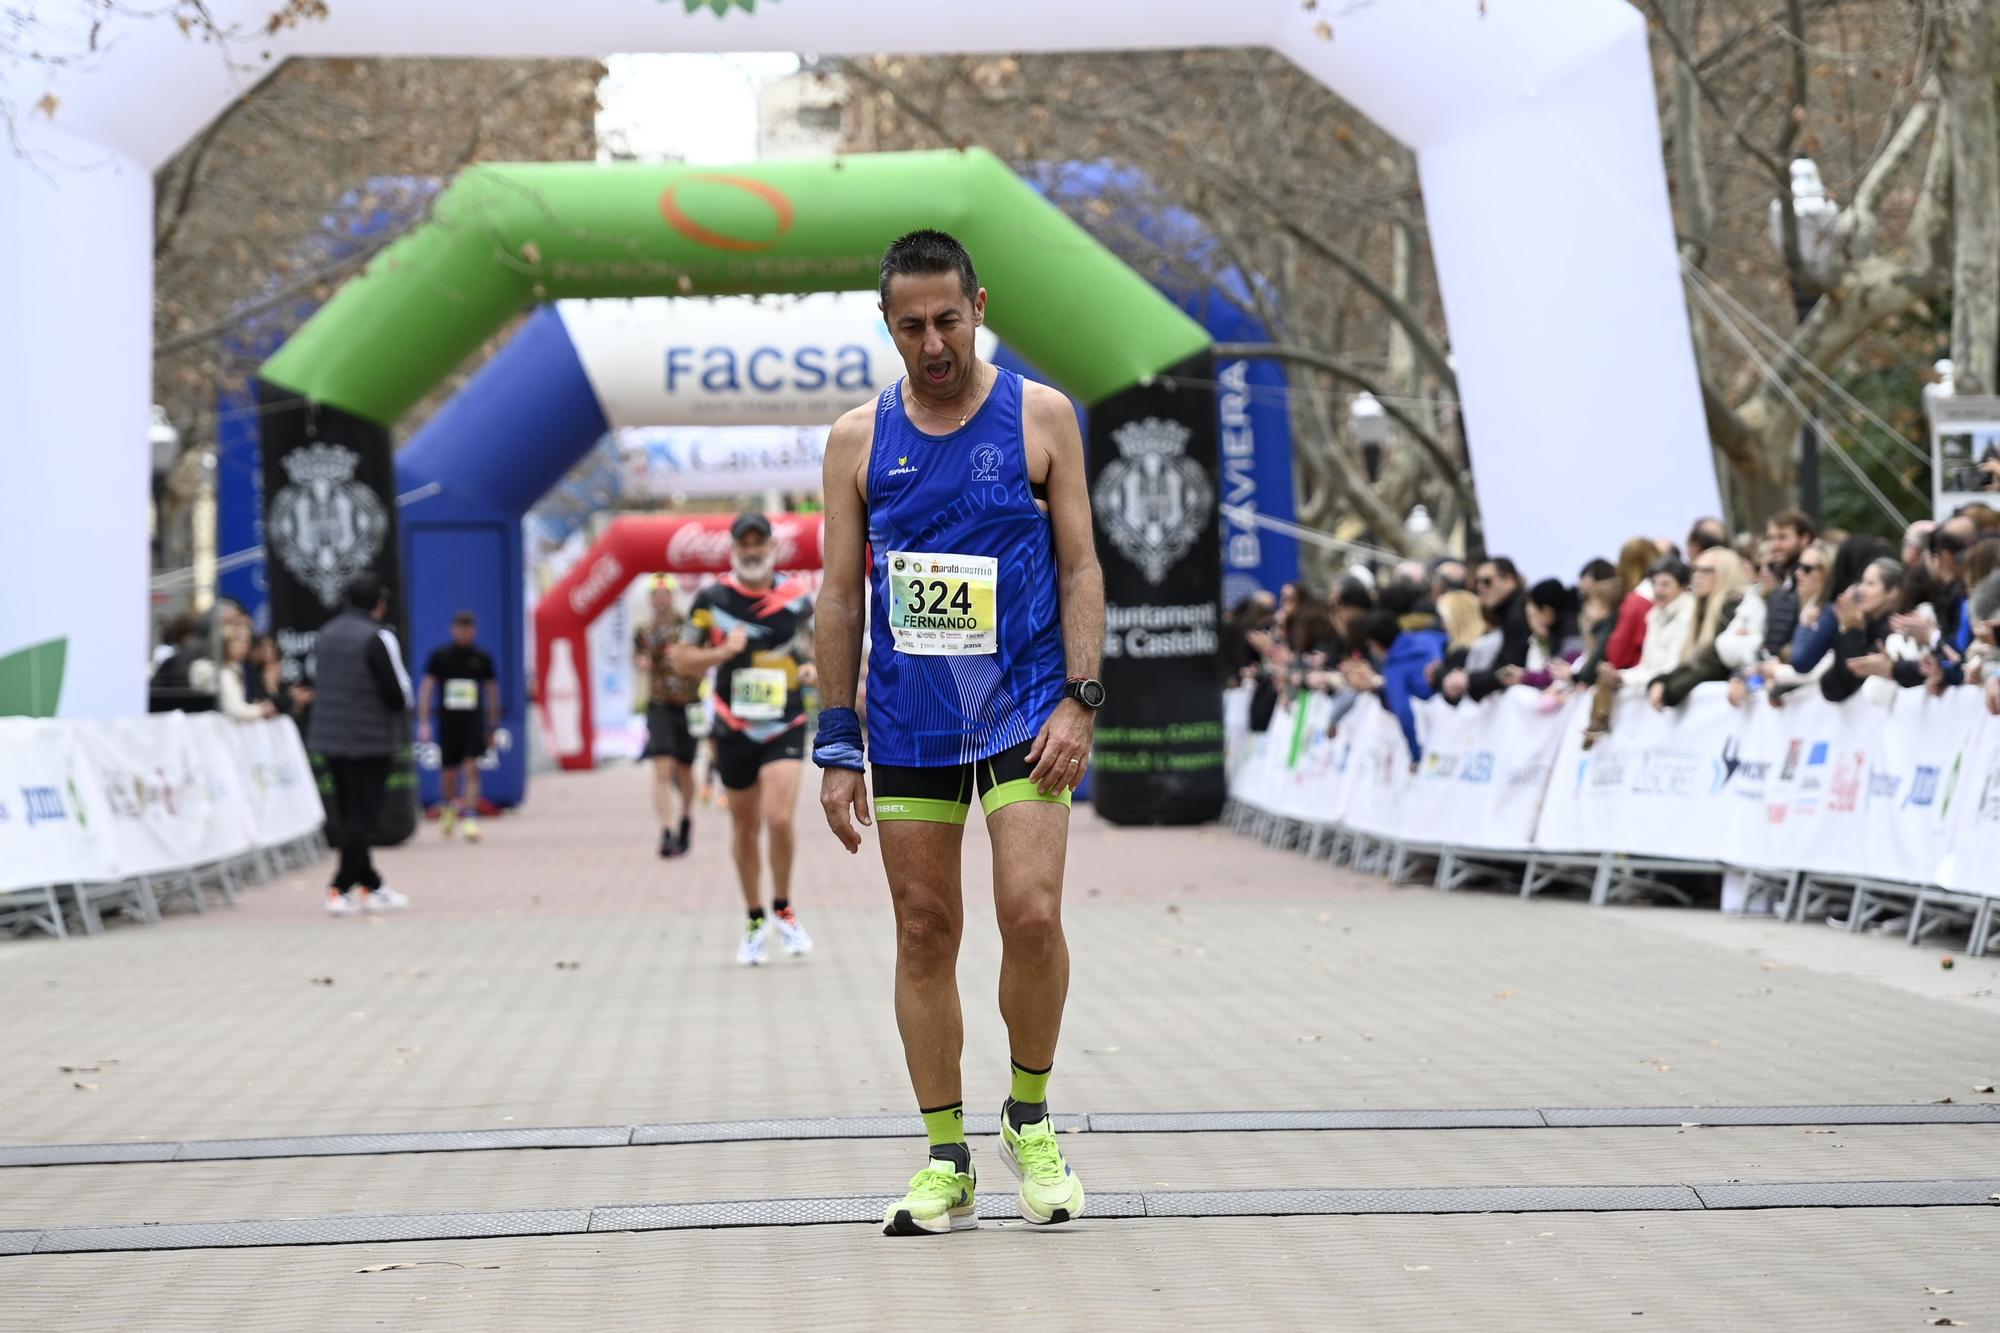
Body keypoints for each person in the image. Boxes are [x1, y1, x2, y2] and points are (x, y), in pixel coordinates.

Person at [813, 228, 1099, 1236]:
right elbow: (838, 595)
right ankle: (946, 1157)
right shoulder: (856, 438)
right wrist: (834, 736)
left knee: (1029, 911)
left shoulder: (1042, 416)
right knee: (924, 929)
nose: (931, 342)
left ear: (978, 304)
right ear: (885, 326)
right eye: (910, 326)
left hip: (1023, 710)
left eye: (946, 318)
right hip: (906, 721)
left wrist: (1080, 697)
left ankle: (1028, 1115)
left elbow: (1079, 568)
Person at [671, 512, 817, 965]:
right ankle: (755, 918)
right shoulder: (712, 598)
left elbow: (815, 649)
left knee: (778, 820)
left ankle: (784, 909)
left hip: (785, 723)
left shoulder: (797, 597)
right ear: (734, 550)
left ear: (772, 547)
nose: (752, 551)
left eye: (759, 543)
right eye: (744, 544)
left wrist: (814, 668)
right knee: (745, 827)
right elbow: (680, 659)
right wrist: (721, 652)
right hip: (732, 727)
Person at [309, 573, 412, 917]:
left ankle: (372, 884)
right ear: (380, 605)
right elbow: (398, 693)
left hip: (329, 737)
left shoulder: (325, 634)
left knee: (348, 811)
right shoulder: (379, 636)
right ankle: (340, 886)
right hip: (370, 739)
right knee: (363, 817)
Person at [417, 611, 500, 842]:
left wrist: (493, 725)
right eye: (460, 629)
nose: (464, 634)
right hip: (448, 722)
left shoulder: (482, 658)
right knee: (449, 771)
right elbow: (427, 688)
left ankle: (470, 817)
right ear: (453, 630)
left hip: (473, 722)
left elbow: (492, 691)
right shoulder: (440, 657)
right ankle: (449, 808)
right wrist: (424, 721)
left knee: (472, 767)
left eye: (468, 629)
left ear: (474, 631)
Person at [635, 577, 701, 857]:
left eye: (665, 594)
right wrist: (644, 661)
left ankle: (685, 818)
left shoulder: (688, 627)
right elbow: (639, 660)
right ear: (650, 598)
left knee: (685, 769)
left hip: (688, 704)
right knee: (662, 769)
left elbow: (701, 659)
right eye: (655, 594)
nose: (660, 599)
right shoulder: (644, 631)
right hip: (659, 704)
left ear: (672, 597)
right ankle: (666, 830)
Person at [1650, 549, 1751, 709]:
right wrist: (1662, 681)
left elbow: (1712, 662)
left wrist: (1669, 689)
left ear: (1726, 572)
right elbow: (1694, 660)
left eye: (1706, 571)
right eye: (1695, 570)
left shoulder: (1732, 606)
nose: (1698, 576)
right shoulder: (1702, 608)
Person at [215, 623, 278, 722]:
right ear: (227, 643)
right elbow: (235, 710)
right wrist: (261, 710)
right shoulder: (224, 673)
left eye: (247, 641)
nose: (244, 646)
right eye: (238, 640)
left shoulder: (245, 668)